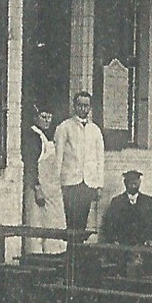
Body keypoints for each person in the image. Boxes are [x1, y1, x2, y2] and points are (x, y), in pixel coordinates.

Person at [54, 90, 105, 232]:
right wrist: (56, 183)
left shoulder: (95, 130)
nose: (83, 109)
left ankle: (79, 252)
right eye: (80, 105)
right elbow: (58, 157)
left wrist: (99, 185)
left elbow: (100, 159)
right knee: (71, 221)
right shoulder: (64, 127)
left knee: (82, 222)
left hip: (88, 184)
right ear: (74, 106)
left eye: (86, 106)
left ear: (90, 108)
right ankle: (71, 252)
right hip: (70, 183)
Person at [22, 107, 67, 254]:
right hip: (39, 191)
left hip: (52, 190)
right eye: (43, 116)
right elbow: (31, 164)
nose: (47, 120)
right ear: (35, 117)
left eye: (49, 117)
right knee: (37, 226)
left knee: (52, 227)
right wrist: (37, 188)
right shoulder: (33, 136)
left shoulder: (46, 136)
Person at [101, 169, 152, 246]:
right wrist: (113, 240)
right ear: (125, 183)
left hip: (143, 245)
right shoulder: (117, 202)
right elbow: (109, 224)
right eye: (130, 181)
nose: (133, 184)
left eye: (135, 181)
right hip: (121, 245)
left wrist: (150, 239)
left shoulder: (148, 201)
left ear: (139, 182)